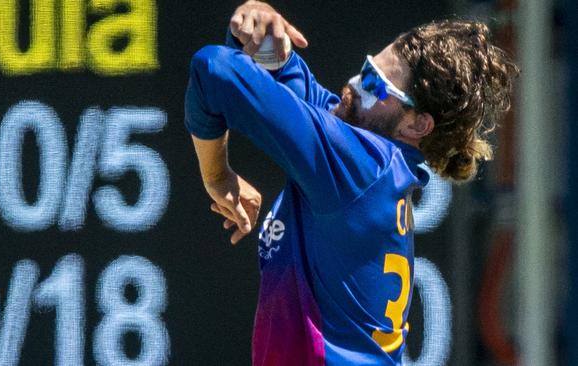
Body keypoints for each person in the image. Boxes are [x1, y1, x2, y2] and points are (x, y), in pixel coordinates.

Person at [184, 1, 519, 364]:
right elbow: (279, 72)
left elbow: (212, 69)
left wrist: (216, 175)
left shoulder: (359, 165)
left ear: (416, 126)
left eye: (375, 84)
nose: (355, 84)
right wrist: (257, 26)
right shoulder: (373, 165)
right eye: (367, 68)